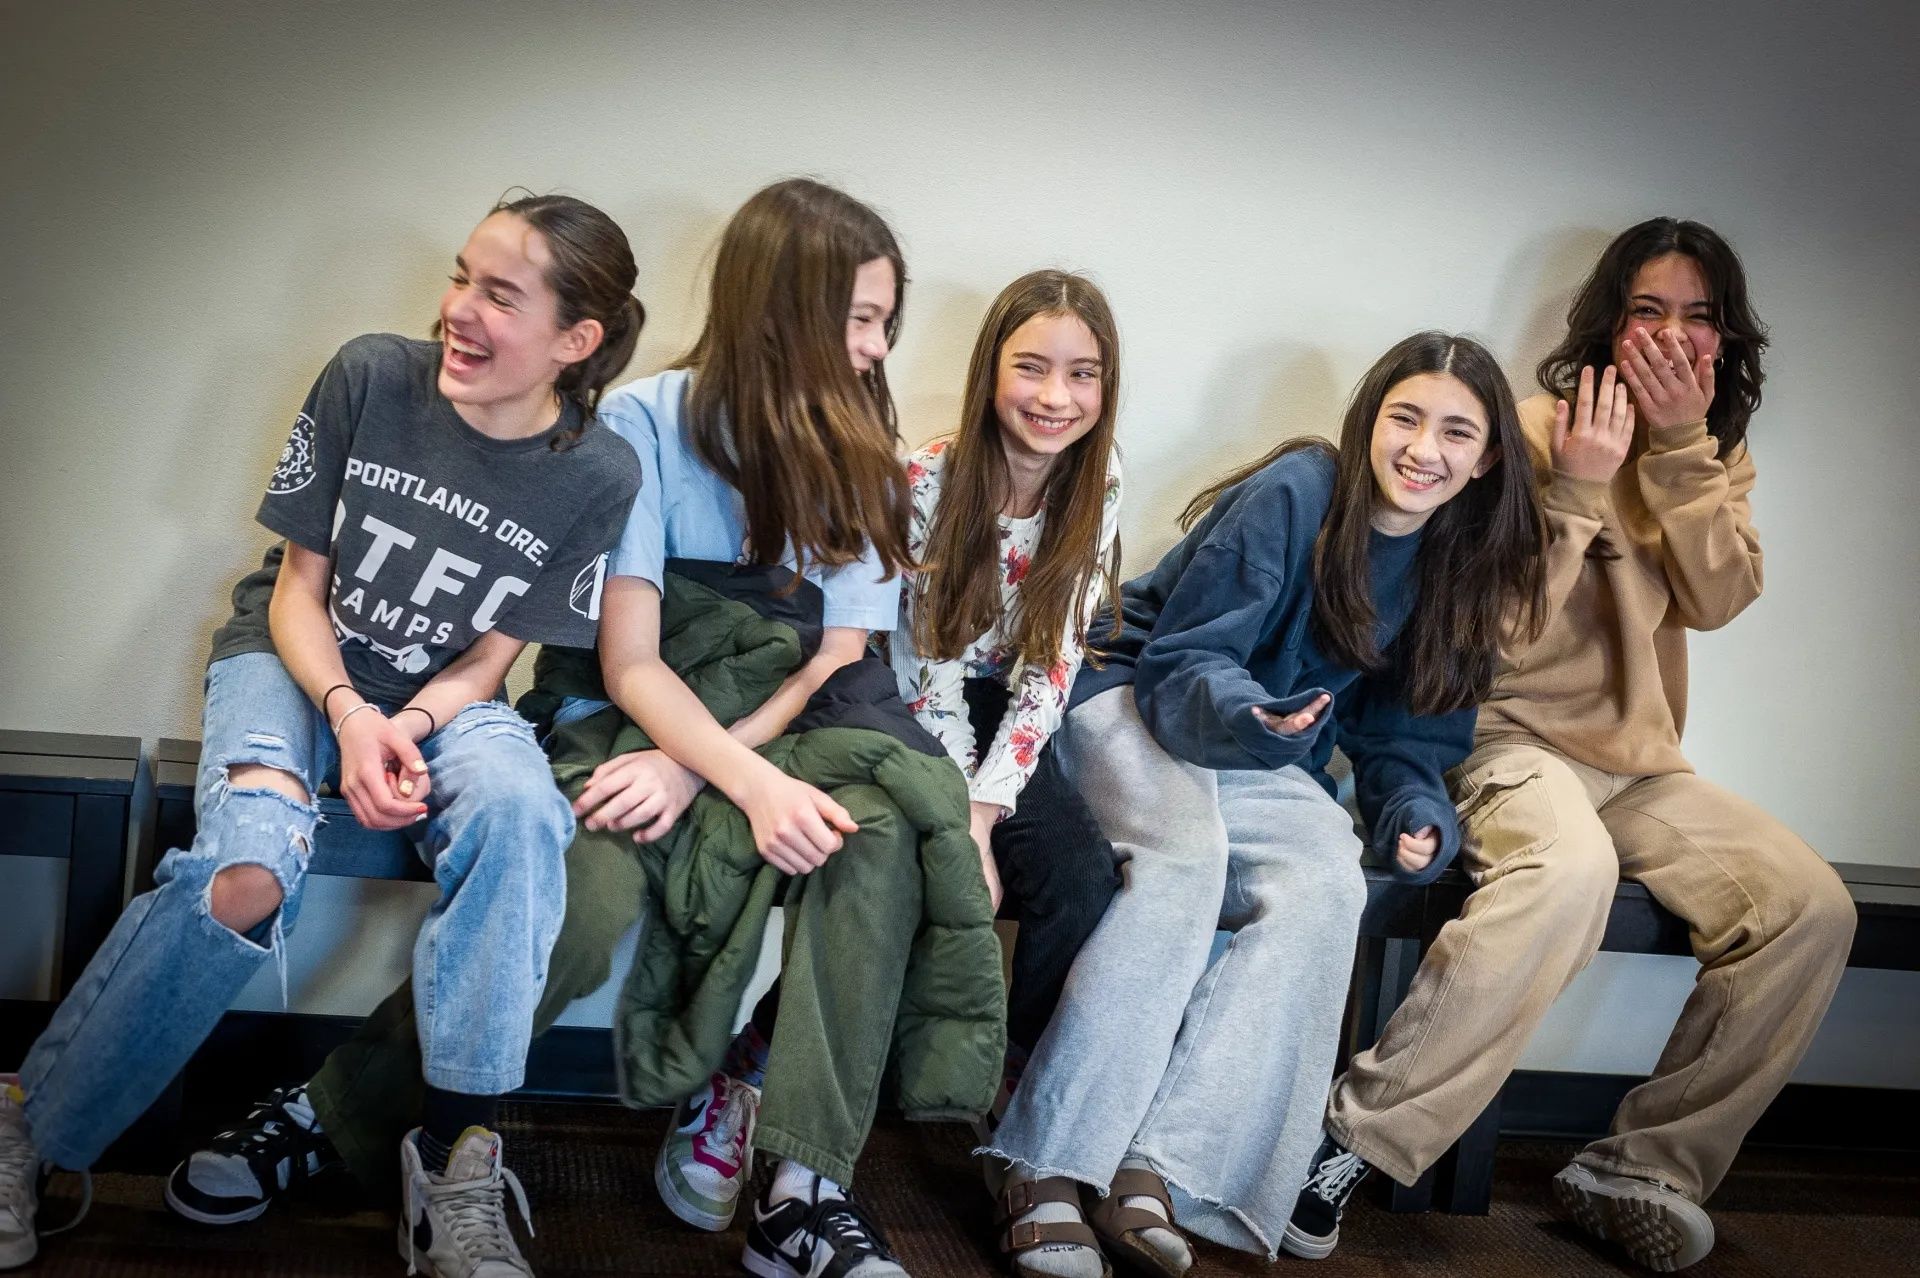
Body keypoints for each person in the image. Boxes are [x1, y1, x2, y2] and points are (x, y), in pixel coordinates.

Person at [169, 178, 940, 1278]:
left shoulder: (868, 458)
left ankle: (800, 1186)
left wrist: (738, 777)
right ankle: (343, 1117)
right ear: (785, 309)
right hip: (625, 725)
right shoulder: (644, 425)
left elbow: (837, 659)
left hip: (773, 732)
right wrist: (684, 766)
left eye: (883, 325)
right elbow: (628, 661)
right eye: (858, 320)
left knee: (882, 853)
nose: (873, 352)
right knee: (576, 902)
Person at [0, 192, 647, 1277]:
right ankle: (27, 1127)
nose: (459, 312)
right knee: (251, 867)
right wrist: (352, 717)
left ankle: (454, 1156)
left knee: (525, 814)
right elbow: (299, 592)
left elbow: (493, 658)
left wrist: (410, 723)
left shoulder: (601, 471)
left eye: (499, 296)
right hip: (294, 661)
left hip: (447, 694)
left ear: (574, 341)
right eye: (460, 279)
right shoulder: (371, 376)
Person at [1297, 219, 1856, 1274]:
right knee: (1567, 876)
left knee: (1808, 905)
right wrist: (1577, 486)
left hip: (1638, 766)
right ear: (1609, 322)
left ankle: (1644, 1169)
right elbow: (1489, 638)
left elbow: (1721, 597)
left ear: (1727, 339)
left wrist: (1684, 453)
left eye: (1700, 316)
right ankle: (1351, 1144)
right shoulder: (1525, 430)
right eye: (1651, 309)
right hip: (1500, 740)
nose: (1674, 335)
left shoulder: (1715, 458)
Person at [984, 331, 1548, 1275]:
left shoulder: (1456, 569)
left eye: (1456, 432)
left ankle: (1156, 1164)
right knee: (1186, 861)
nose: (1424, 448)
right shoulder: (1300, 490)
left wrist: (1417, 814)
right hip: (1134, 702)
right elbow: (1183, 659)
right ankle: (1040, 1164)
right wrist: (1258, 714)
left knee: (1329, 878)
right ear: (1371, 420)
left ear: (1488, 456)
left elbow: (1406, 741)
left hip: (1260, 747)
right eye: (1405, 417)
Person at [890, 268, 1125, 1066]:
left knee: (1082, 880)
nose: (1056, 396)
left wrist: (987, 816)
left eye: (1081, 373)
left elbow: (1054, 666)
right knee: (942, 876)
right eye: (1032, 366)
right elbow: (929, 674)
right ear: (991, 369)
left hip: (1014, 700)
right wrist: (969, 827)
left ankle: (1012, 1073)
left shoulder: (1100, 479)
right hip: (914, 698)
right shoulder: (927, 481)